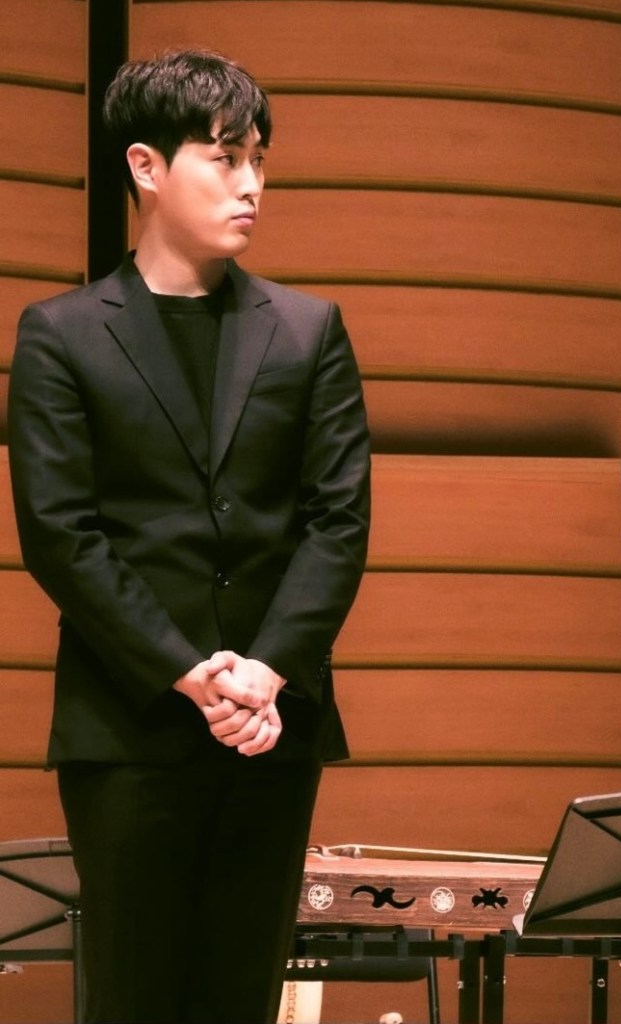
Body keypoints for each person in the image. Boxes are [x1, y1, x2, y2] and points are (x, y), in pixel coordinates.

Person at [8, 50, 371, 1023]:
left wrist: (265, 672)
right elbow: (60, 534)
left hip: (270, 722)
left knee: (242, 997)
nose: (252, 184)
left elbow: (337, 521)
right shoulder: (60, 334)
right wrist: (187, 671)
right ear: (146, 166)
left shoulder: (308, 329)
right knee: (132, 998)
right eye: (225, 157)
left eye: (259, 159)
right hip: (129, 722)